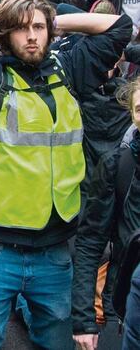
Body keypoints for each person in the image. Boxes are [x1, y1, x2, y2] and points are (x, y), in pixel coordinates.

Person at [0, 0, 131, 349]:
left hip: (54, 249)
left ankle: (12, 299)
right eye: (22, 30)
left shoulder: (69, 69)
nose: (31, 36)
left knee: (56, 344)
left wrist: (53, 20)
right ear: (6, 35)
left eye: (38, 28)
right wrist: (5, 20)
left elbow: (119, 27)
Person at [71, 77, 140, 350]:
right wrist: (84, 320)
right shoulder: (117, 165)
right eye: (139, 109)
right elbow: (90, 242)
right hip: (124, 304)